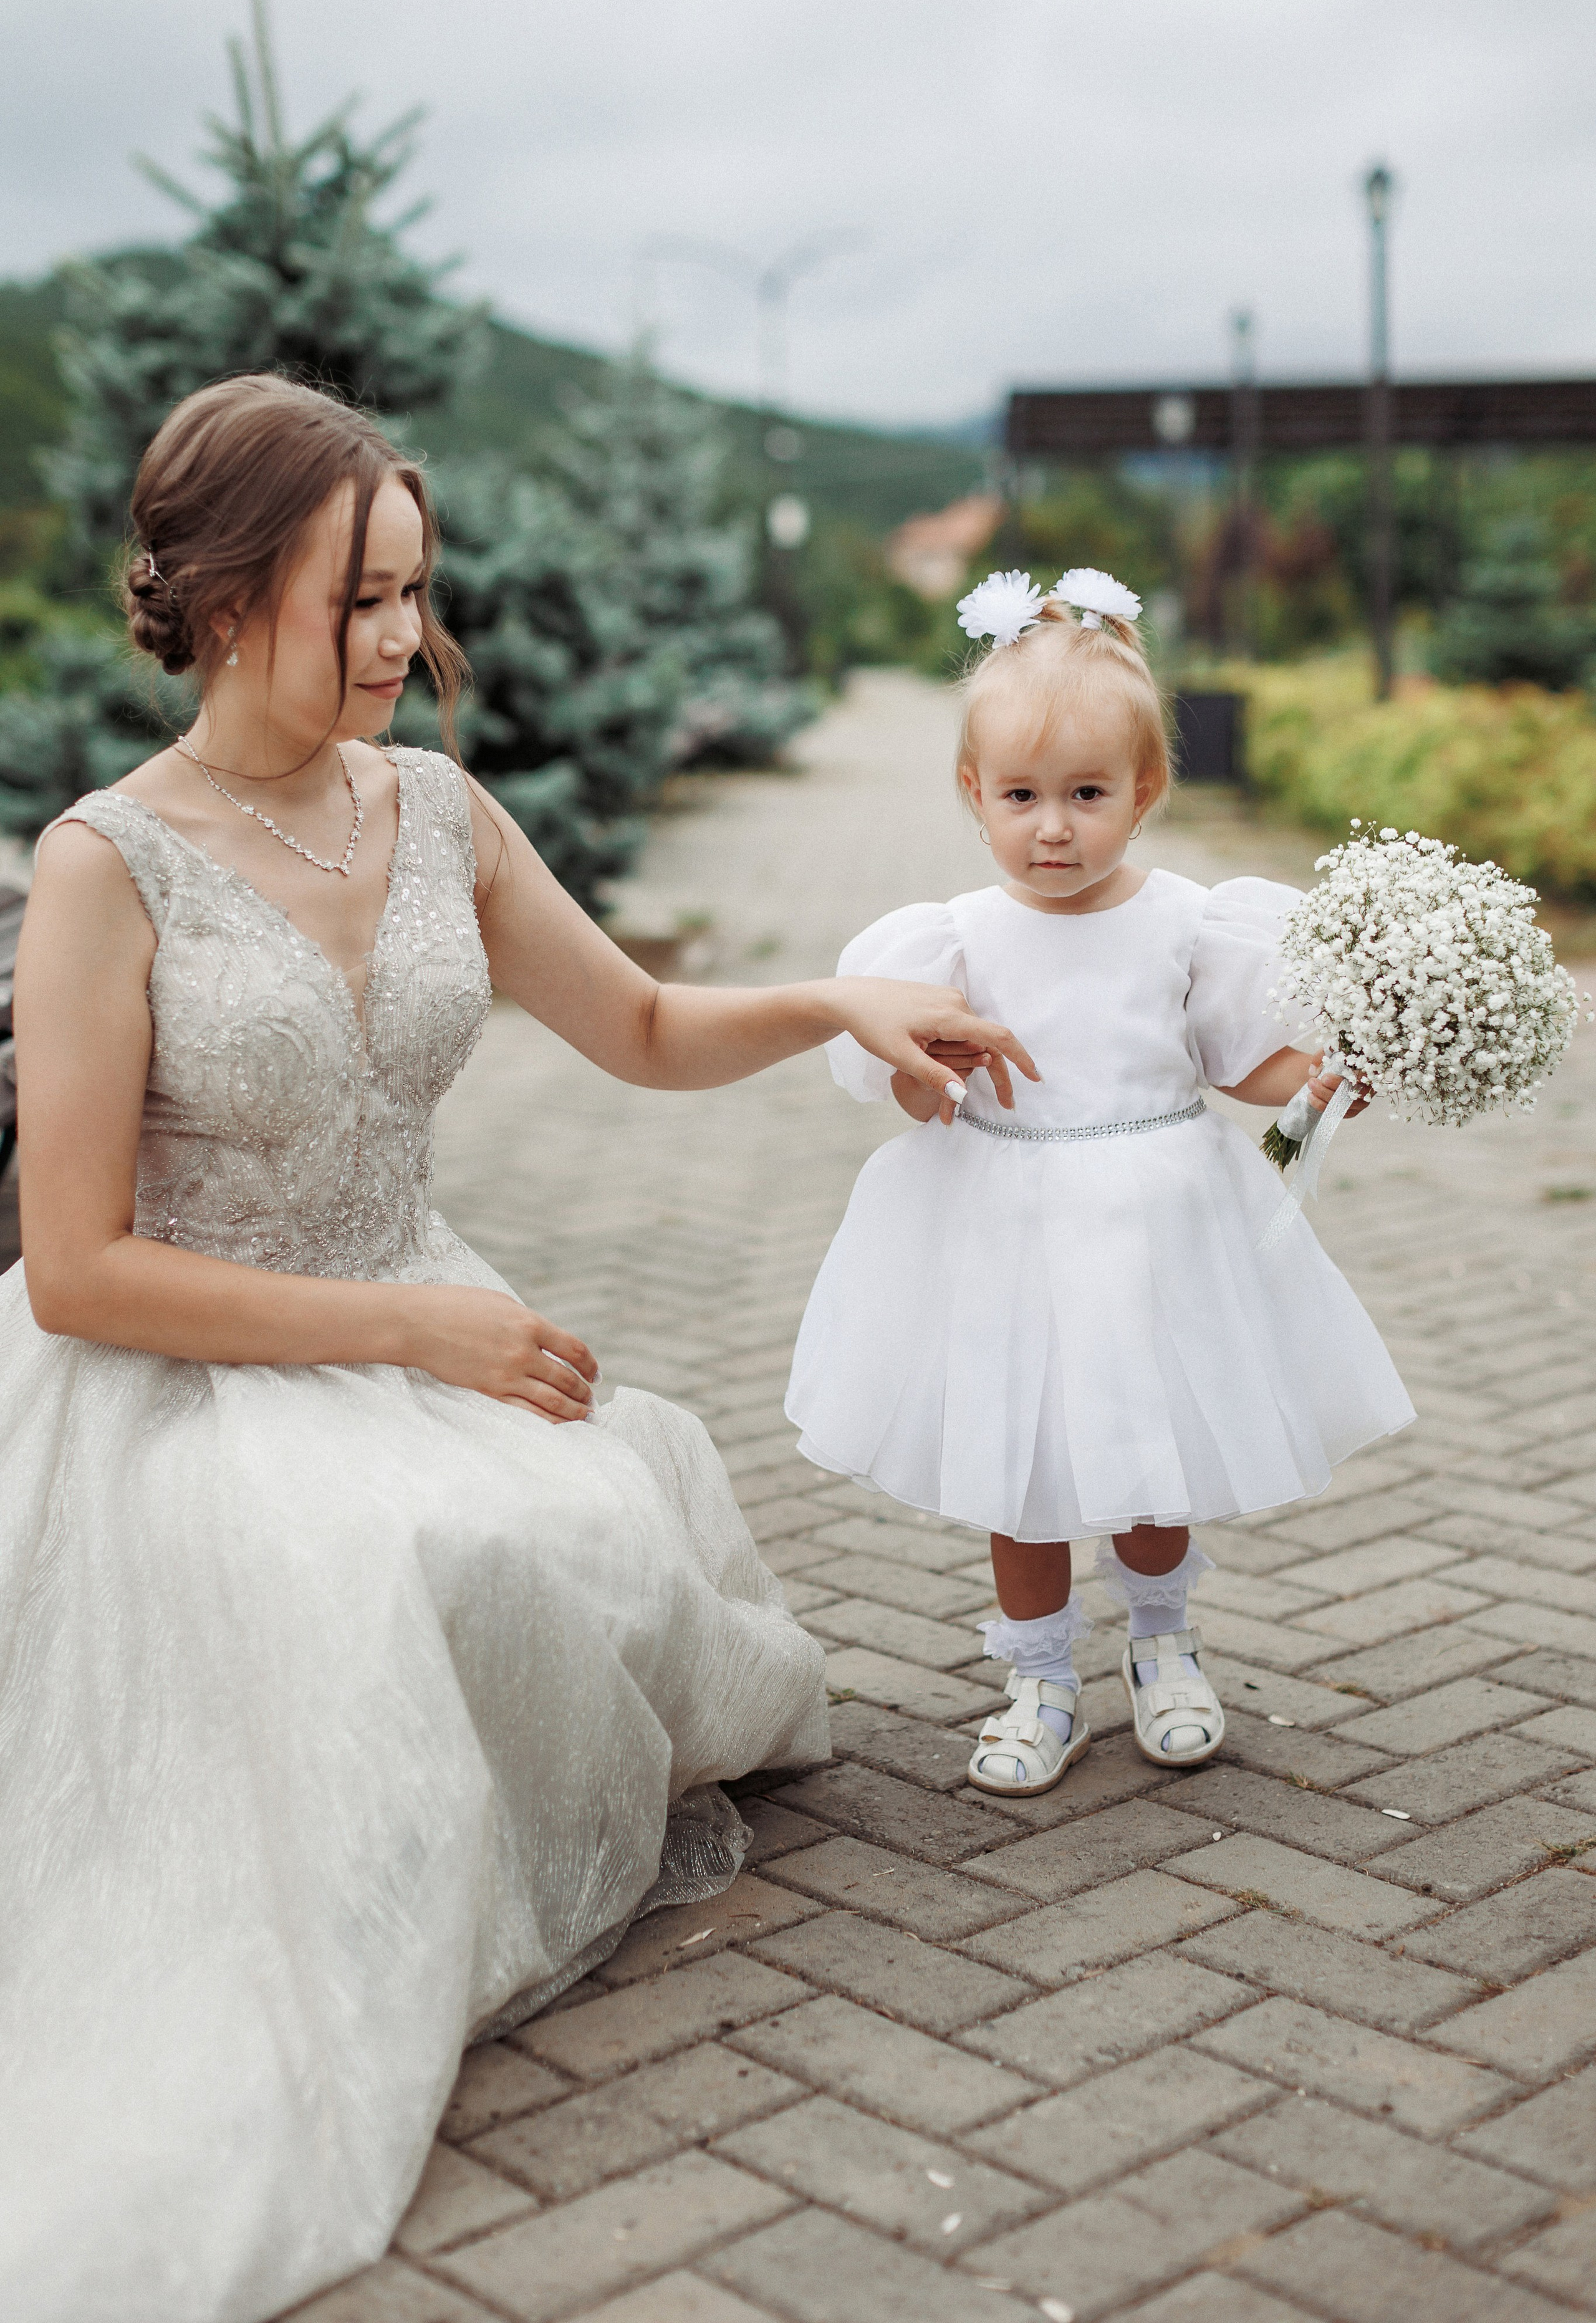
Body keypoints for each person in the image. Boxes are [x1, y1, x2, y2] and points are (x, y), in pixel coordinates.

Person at [0, 375, 1037, 2323]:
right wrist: (415, 1330)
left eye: (415, 591)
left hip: (427, 1322)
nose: (405, 638)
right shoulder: (101, 869)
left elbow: (637, 1025)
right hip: (189, 1377)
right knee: (395, 1577)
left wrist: (836, 999)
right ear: (225, 600)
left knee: (606, 1540)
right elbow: (74, 1270)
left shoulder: (439, 811)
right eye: (358, 598)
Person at [786, 569, 1415, 1796]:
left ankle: (1162, 1645)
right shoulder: (951, 937)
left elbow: (1243, 1060)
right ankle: (1039, 1675)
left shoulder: (1188, 923)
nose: (1053, 828)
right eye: (1020, 797)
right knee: (1019, 1464)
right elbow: (908, 1082)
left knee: (1148, 1445)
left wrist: (1322, 1076)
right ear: (973, 793)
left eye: (1084, 795)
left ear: (1145, 790)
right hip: (1003, 1224)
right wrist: (932, 1075)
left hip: (1154, 1224)